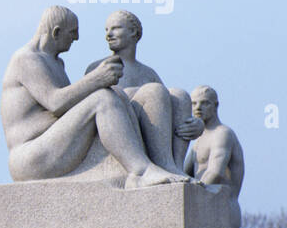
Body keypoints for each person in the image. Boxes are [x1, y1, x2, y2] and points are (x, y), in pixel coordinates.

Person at [1, 6, 190, 187]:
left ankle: (164, 166)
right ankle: (141, 171)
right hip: (30, 156)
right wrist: (97, 78)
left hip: (51, 146)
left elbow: (70, 107)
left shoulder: (56, 63)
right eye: (72, 33)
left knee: (116, 94)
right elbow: (56, 103)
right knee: (102, 99)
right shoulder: (26, 59)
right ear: (56, 32)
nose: (76, 38)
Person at [84, 10, 201, 173]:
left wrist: (197, 125)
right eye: (106, 30)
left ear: (133, 32)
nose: (108, 34)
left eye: (115, 28)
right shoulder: (98, 68)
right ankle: (164, 163)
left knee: (179, 95)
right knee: (153, 91)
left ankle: (175, 166)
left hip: (146, 133)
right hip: (120, 135)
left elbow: (166, 110)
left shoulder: (148, 73)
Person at [185, 85, 246, 228]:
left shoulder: (222, 134)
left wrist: (188, 201)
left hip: (222, 209)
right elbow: (182, 173)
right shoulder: (198, 140)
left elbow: (215, 173)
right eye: (194, 103)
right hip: (203, 205)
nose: (198, 108)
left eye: (205, 103)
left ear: (216, 105)